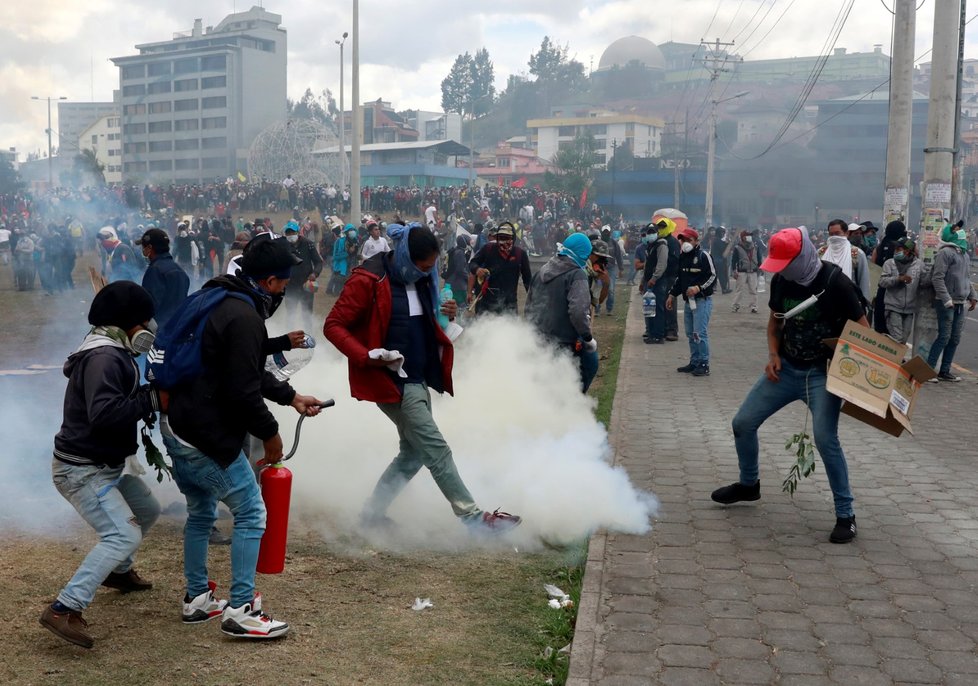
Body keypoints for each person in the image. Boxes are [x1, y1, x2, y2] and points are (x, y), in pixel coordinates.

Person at [160, 237, 325, 639]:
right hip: (207, 434)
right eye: (284, 284)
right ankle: (241, 608)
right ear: (269, 281)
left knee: (201, 513)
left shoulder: (215, 296)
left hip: (178, 425)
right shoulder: (244, 317)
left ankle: (198, 598)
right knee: (252, 513)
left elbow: (243, 370)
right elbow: (243, 390)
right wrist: (271, 435)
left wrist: (292, 397)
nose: (285, 291)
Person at [324, 223, 521, 532]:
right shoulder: (368, 279)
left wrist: (450, 314)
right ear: (406, 256)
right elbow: (333, 325)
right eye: (425, 266)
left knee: (413, 453)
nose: (429, 272)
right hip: (392, 381)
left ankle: (371, 515)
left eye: (432, 267)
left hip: (417, 377)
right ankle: (472, 518)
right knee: (435, 447)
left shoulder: (423, 279)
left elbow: (429, 322)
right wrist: (366, 355)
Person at [711, 227, 868, 544]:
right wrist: (772, 355)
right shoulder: (782, 281)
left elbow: (864, 332)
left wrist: (855, 374)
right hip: (785, 371)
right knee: (742, 422)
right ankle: (749, 485)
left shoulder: (836, 283)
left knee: (826, 440)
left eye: (786, 263)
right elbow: (775, 321)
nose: (781, 269)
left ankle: (845, 515)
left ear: (804, 256)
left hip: (822, 375)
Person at [41, 282, 163, 649]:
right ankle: (64, 608)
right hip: (83, 470)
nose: (151, 326)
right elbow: (105, 414)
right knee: (122, 534)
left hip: (104, 462)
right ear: (129, 324)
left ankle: (119, 573)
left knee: (147, 510)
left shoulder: (110, 348)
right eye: (144, 319)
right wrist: (154, 399)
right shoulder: (105, 358)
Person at [526, 232, 598, 392]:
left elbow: (529, 308)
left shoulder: (540, 273)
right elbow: (578, 311)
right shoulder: (577, 274)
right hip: (566, 343)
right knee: (586, 369)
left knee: (544, 387)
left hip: (539, 341)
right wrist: (587, 337)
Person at [927, 223, 978, 382]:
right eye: (956, 230)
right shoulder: (945, 253)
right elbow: (937, 278)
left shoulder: (964, 254)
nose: (960, 232)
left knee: (955, 338)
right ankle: (928, 371)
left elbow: (966, 278)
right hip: (946, 302)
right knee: (944, 336)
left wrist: (973, 295)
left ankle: (945, 371)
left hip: (960, 302)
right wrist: (946, 299)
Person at [667, 228, 716, 376]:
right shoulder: (683, 257)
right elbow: (679, 279)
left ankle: (704, 363)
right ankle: (694, 361)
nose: (685, 243)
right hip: (688, 302)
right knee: (690, 334)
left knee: (699, 333)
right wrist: (672, 295)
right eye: (682, 240)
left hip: (702, 301)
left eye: (689, 240)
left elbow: (713, 276)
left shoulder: (703, 256)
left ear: (696, 242)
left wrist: (698, 288)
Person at [466, 222, 532, 316]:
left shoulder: (519, 254)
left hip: (509, 305)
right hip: (486, 304)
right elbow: (472, 263)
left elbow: (528, 281)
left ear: (513, 238)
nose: (504, 241)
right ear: (497, 237)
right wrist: (477, 269)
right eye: (501, 237)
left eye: (507, 238)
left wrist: (534, 303)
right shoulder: (488, 249)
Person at [878, 238, 927, 344]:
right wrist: (898, 279)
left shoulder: (919, 265)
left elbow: (924, 283)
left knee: (904, 339)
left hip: (910, 309)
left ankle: (891, 356)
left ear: (907, 250)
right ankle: (891, 358)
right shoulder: (890, 263)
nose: (896, 251)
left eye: (899, 248)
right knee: (897, 338)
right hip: (893, 307)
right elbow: (882, 282)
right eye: (896, 248)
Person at [140, 229, 190, 328]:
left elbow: (150, 304)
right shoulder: (179, 270)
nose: (142, 250)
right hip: (178, 326)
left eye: (143, 247)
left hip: (160, 329)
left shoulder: (155, 270)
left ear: (150, 248)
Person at [282, 222, 323, 331]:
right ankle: (289, 339)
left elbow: (318, 262)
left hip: (306, 285)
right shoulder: (283, 246)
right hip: (290, 286)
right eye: (288, 233)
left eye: (292, 232)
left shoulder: (308, 244)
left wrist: (315, 273)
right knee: (290, 314)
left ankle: (308, 338)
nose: (290, 235)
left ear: (298, 232)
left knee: (307, 314)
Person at [818, 220, 871, 305]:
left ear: (846, 233)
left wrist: (863, 303)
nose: (834, 237)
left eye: (837, 233)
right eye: (831, 234)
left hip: (851, 303)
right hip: (825, 303)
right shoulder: (820, 253)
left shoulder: (857, 254)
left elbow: (864, 281)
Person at [641, 220, 676, 344]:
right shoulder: (650, 246)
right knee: (649, 308)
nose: (650, 234)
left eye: (652, 232)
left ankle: (659, 335)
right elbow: (647, 265)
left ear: (657, 232)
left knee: (658, 309)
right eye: (648, 232)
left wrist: (654, 278)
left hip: (658, 282)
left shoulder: (662, 245)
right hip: (648, 281)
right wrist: (643, 281)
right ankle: (651, 333)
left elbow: (662, 264)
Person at [870, 220, 908, 334]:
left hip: (881, 291)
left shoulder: (879, 247)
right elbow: (916, 255)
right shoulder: (904, 247)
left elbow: (872, 272)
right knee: (896, 331)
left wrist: (871, 296)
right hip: (898, 293)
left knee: (880, 329)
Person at [730, 230, 761, 313]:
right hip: (741, 271)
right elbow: (734, 260)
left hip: (753, 271)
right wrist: (734, 270)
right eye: (747, 235)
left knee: (753, 290)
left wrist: (760, 268)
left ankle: (754, 307)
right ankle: (735, 305)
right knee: (739, 289)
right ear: (742, 237)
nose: (749, 237)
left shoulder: (756, 246)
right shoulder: (737, 247)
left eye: (750, 235)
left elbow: (759, 258)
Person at [601, 227, 625, 315]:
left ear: (610, 232)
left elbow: (618, 256)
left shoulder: (614, 243)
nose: (606, 233)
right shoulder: (597, 243)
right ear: (602, 232)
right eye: (604, 232)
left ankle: (609, 308)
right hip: (600, 269)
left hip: (611, 269)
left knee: (611, 290)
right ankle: (596, 309)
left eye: (607, 232)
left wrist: (621, 269)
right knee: (598, 289)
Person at [710, 227, 732, 294]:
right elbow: (723, 248)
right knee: (722, 275)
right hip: (718, 260)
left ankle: (719, 288)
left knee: (716, 275)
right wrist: (728, 244)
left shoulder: (716, 240)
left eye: (723, 232)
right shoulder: (717, 240)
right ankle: (724, 289)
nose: (723, 234)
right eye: (722, 232)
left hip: (716, 259)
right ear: (719, 233)